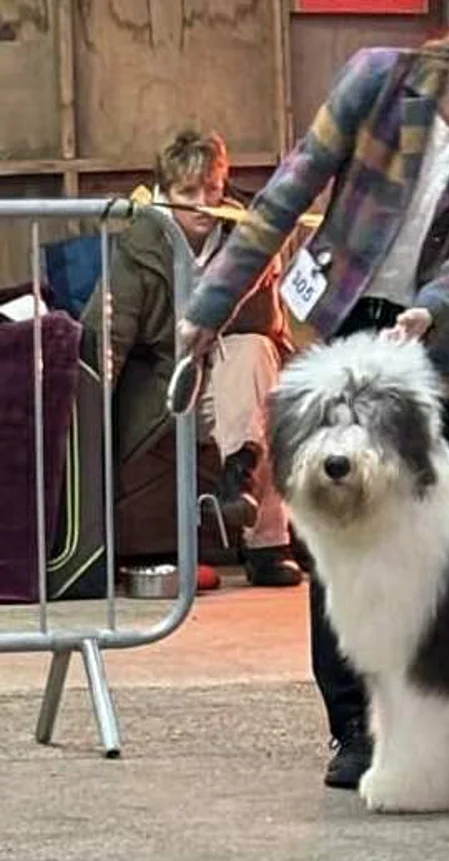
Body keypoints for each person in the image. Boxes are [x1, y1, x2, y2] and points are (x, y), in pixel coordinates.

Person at [175, 0, 449, 788]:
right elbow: (286, 195)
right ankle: (355, 729)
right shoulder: (378, 79)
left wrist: (433, 307)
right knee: (342, 532)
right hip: (340, 326)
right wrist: (209, 307)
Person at [81, 129, 302, 588]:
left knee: (256, 358)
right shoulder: (140, 245)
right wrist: (87, 415)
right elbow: (108, 334)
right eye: (188, 193)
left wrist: (255, 263)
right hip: (165, 380)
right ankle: (241, 490)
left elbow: (266, 326)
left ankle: (252, 509)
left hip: (232, 372)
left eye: (212, 189)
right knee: (255, 379)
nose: (203, 204)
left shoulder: (248, 236)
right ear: (164, 193)